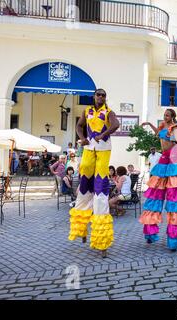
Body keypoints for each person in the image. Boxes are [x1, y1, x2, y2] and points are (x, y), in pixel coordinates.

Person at [68, 88, 120, 258]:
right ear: (94, 96)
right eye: (98, 94)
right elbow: (79, 125)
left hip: (104, 149)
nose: (101, 97)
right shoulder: (87, 111)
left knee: (100, 185)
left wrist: (104, 134)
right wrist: (82, 137)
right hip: (89, 148)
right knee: (85, 180)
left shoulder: (108, 112)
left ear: (105, 98)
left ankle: (102, 241)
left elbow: (116, 125)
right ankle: (81, 229)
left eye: (103, 95)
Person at [140, 109, 177, 251]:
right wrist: (149, 124)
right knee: (154, 195)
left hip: (172, 159)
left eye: (167, 115)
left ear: (172, 117)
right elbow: (157, 133)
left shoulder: (175, 128)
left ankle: (173, 240)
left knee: (173, 199)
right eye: (164, 115)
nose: (165, 117)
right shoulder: (162, 126)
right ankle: (150, 234)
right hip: (163, 159)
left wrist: (170, 134)